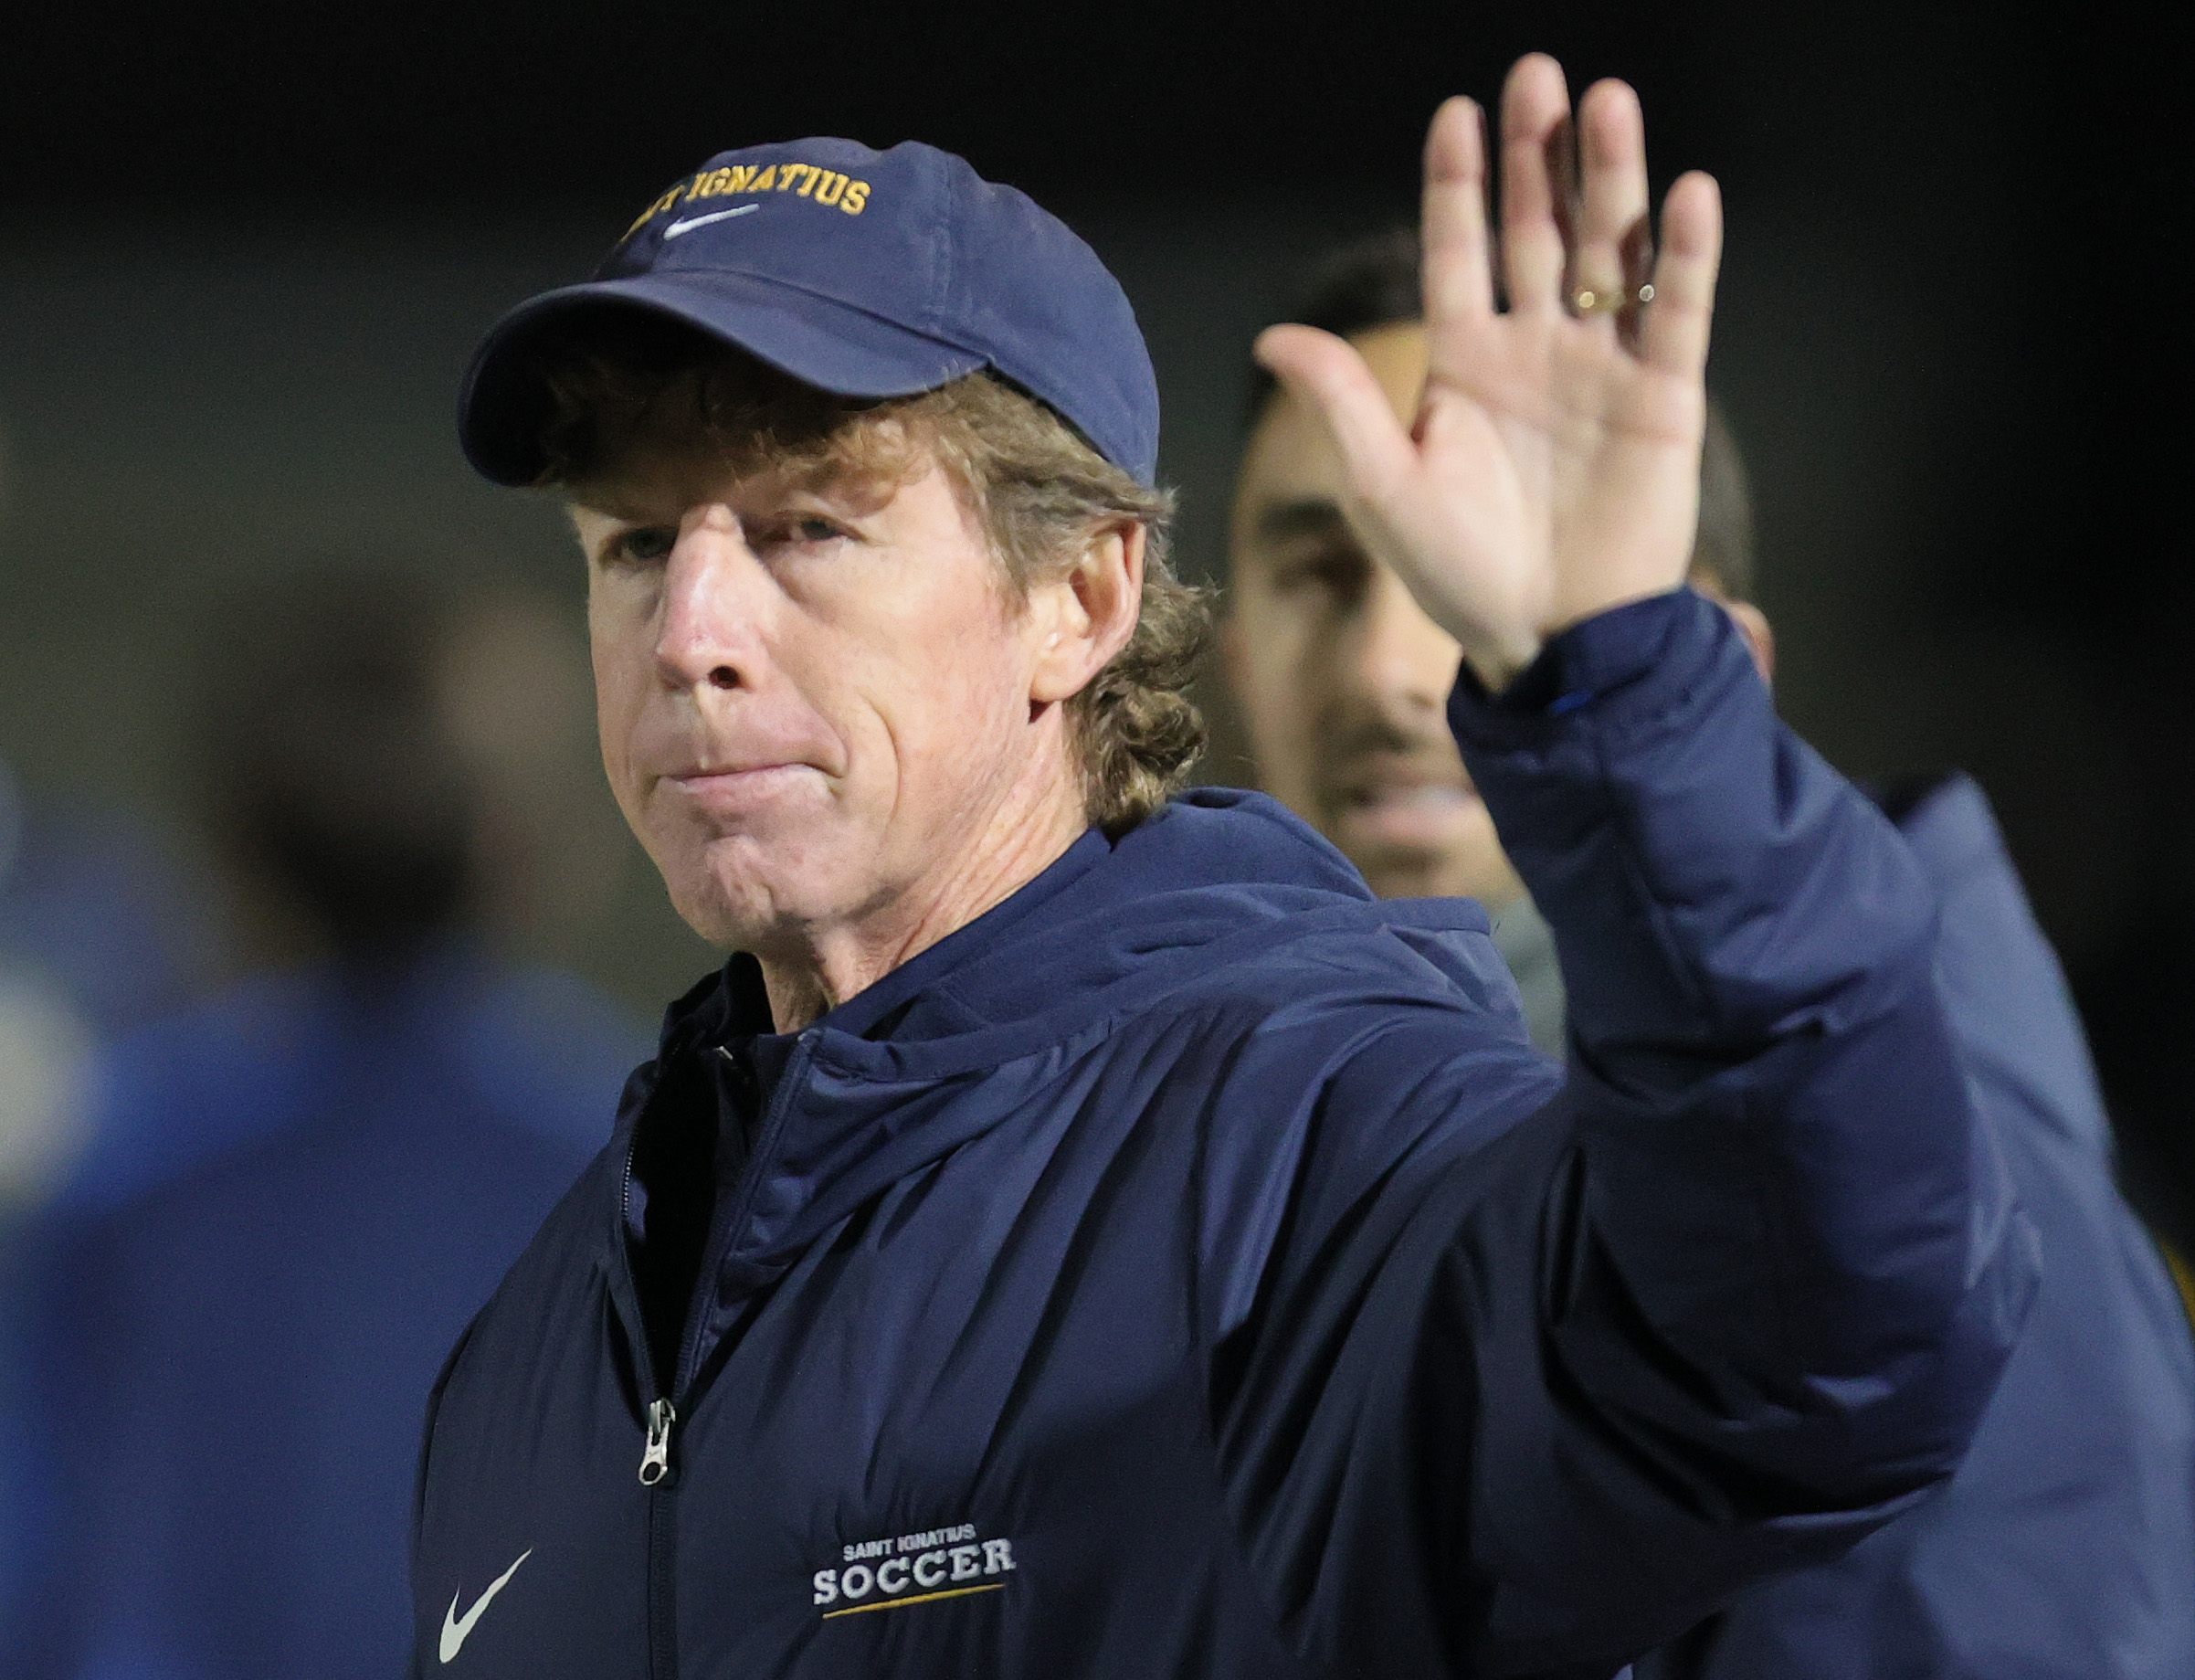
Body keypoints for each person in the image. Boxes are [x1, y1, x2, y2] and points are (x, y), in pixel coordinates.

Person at [411, 57, 2033, 1677]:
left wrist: (1623, 689)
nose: (690, 635)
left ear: (1081, 598)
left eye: (805, 530)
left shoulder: (1316, 1151)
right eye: (633, 546)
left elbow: (1805, 1343)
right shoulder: (543, 1330)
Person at [1224, 230, 2195, 1677]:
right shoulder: (1215, 1137)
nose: (1387, 667)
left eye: (1471, 563)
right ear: (1220, 639)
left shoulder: (1922, 1178)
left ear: (1710, 664)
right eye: (1317, 571)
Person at [23, 569, 647, 1680]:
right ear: (524, 854)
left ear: (234, 848)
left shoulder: (123, 1174)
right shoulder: (639, 1169)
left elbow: (50, 1572)